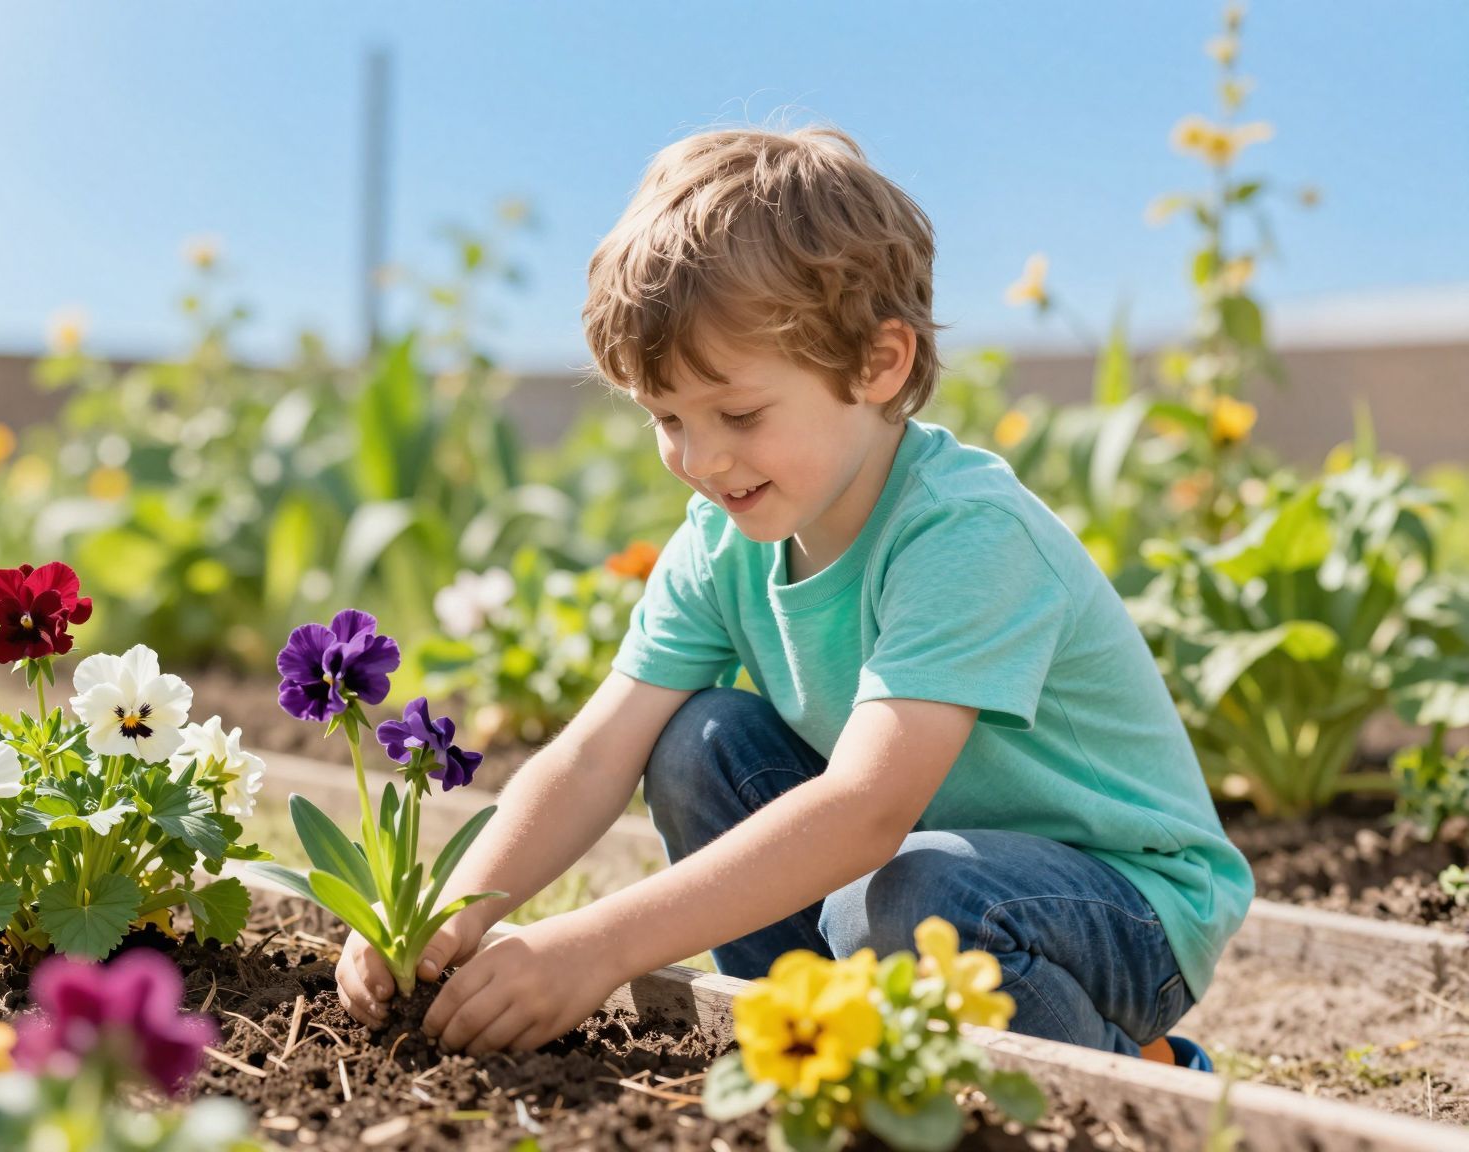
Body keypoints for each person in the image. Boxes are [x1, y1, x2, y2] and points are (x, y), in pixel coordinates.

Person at [334, 123, 1251, 1068]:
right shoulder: (721, 541)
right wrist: (450, 911)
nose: (700, 460)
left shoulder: (966, 533)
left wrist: (600, 945)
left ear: (878, 364)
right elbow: (596, 754)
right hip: (916, 870)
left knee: (904, 896)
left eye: (737, 413)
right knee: (697, 745)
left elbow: (865, 812)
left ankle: (1141, 1070)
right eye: (667, 419)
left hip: (1121, 903)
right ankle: (807, 1047)